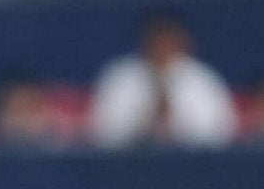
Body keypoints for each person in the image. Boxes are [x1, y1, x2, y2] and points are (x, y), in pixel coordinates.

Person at [89, 12, 238, 149]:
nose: (161, 46)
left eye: (168, 39)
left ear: (182, 41)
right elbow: (101, 133)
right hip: (129, 163)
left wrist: (176, 120)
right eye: (156, 39)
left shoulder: (202, 79)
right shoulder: (120, 77)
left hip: (193, 163)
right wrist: (144, 119)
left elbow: (221, 132)